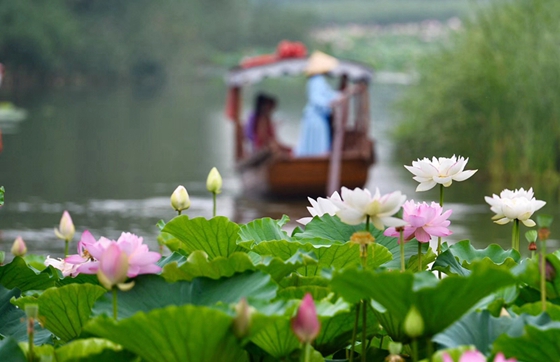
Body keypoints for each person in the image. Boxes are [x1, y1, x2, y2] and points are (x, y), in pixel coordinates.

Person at [295, 51, 341, 157]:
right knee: (316, 142)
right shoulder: (316, 80)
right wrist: (330, 103)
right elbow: (316, 99)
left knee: (318, 141)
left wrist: (339, 96)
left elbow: (329, 94)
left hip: (319, 116)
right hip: (315, 116)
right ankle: (315, 161)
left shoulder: (319, 80)